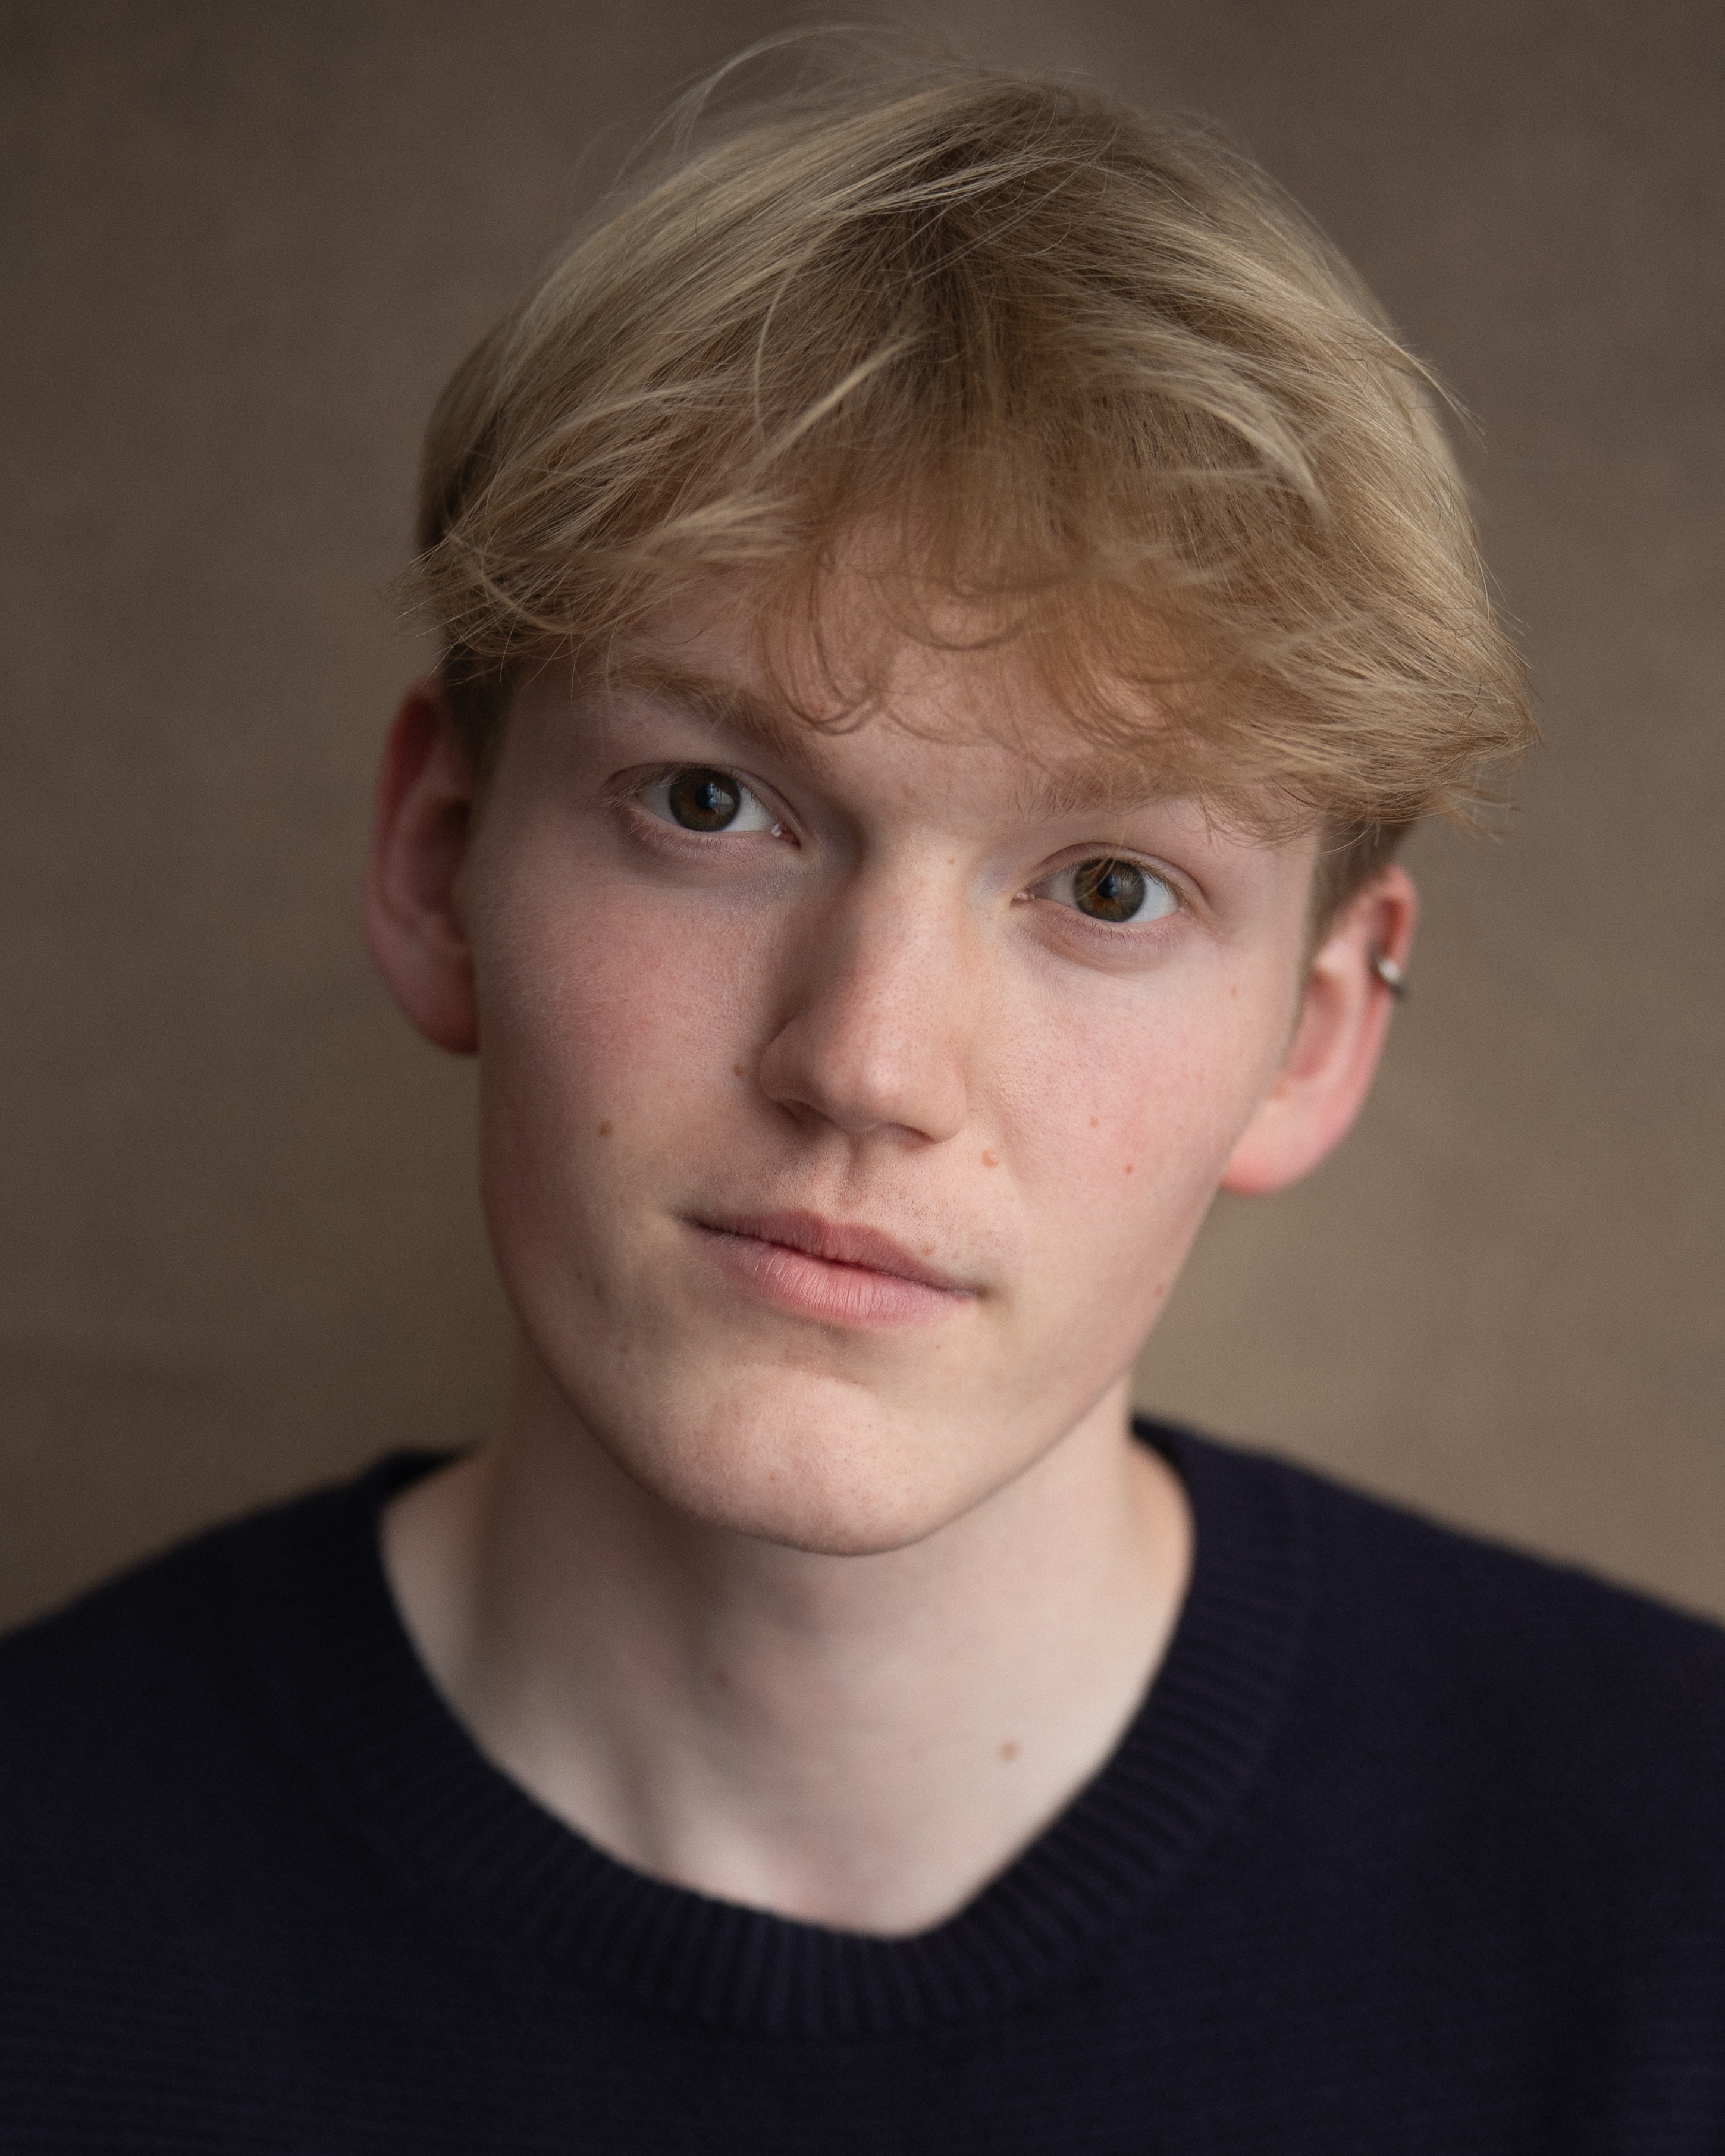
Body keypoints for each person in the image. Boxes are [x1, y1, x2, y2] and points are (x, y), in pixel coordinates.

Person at [3, 47, 1721, 2154]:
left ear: (1313, 1031)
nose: (866, 1065)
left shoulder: (1673, 1896)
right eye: (709, 805)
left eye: (1110, 888)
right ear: (440, 863)